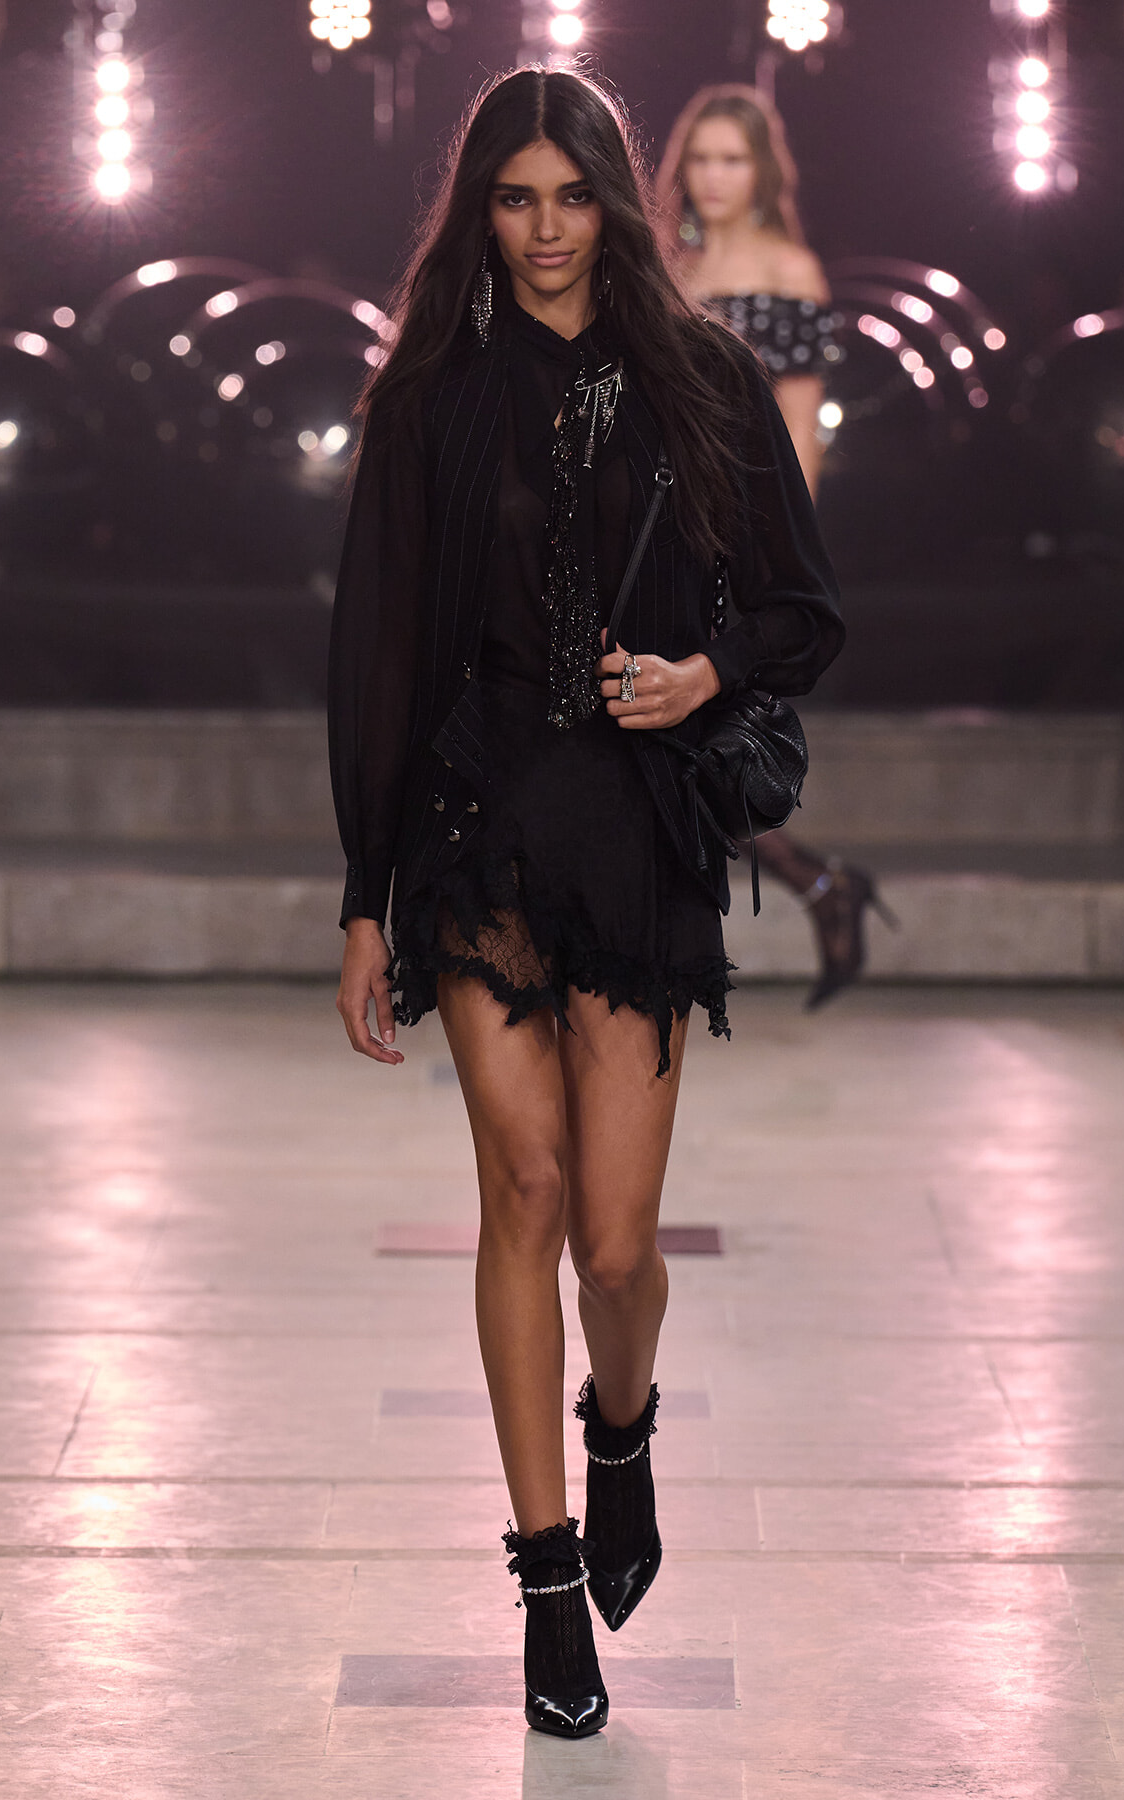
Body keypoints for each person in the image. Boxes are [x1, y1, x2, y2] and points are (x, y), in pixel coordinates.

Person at [328, 67, 842, 1738]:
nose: (545, 232)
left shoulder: (699, 378)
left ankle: (619, 1435)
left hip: (634, 833)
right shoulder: (432, 401)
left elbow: (803, 612)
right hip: (475, 829)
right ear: (480, 214)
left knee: (618, 1246)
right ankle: (549, 1579)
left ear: (612, 203)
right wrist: (359, 893)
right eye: (513, 200)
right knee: (526, 1190)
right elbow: (379, 653)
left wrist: (705, 675)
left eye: (569, 197)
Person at [658, 85, 894, 1006]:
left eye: (732, 158)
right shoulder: (660, 266)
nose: (714, 177)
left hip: (738, 537)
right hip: (651, 532)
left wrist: (780, 555)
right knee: (685, 744)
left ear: (761, 170)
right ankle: (826, 888)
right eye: (702, 158)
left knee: (710, 740)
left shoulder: (791, 271)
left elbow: (801, 431)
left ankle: (815, 891)